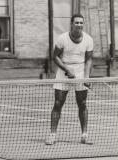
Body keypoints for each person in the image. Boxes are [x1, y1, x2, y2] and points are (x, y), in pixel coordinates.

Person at [45, 14, 94, 145]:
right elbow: (55, 57)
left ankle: (84, 135)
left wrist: (87, 76)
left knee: (82, 103)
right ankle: (52, 135)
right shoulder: (62, 38)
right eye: (76, 22)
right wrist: (67, 69)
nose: (79, 25)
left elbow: (89, 59)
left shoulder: (88, 39)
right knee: (57, 103)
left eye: (81, 23)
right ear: (71, 24)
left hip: (80, 71)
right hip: (63, 71)